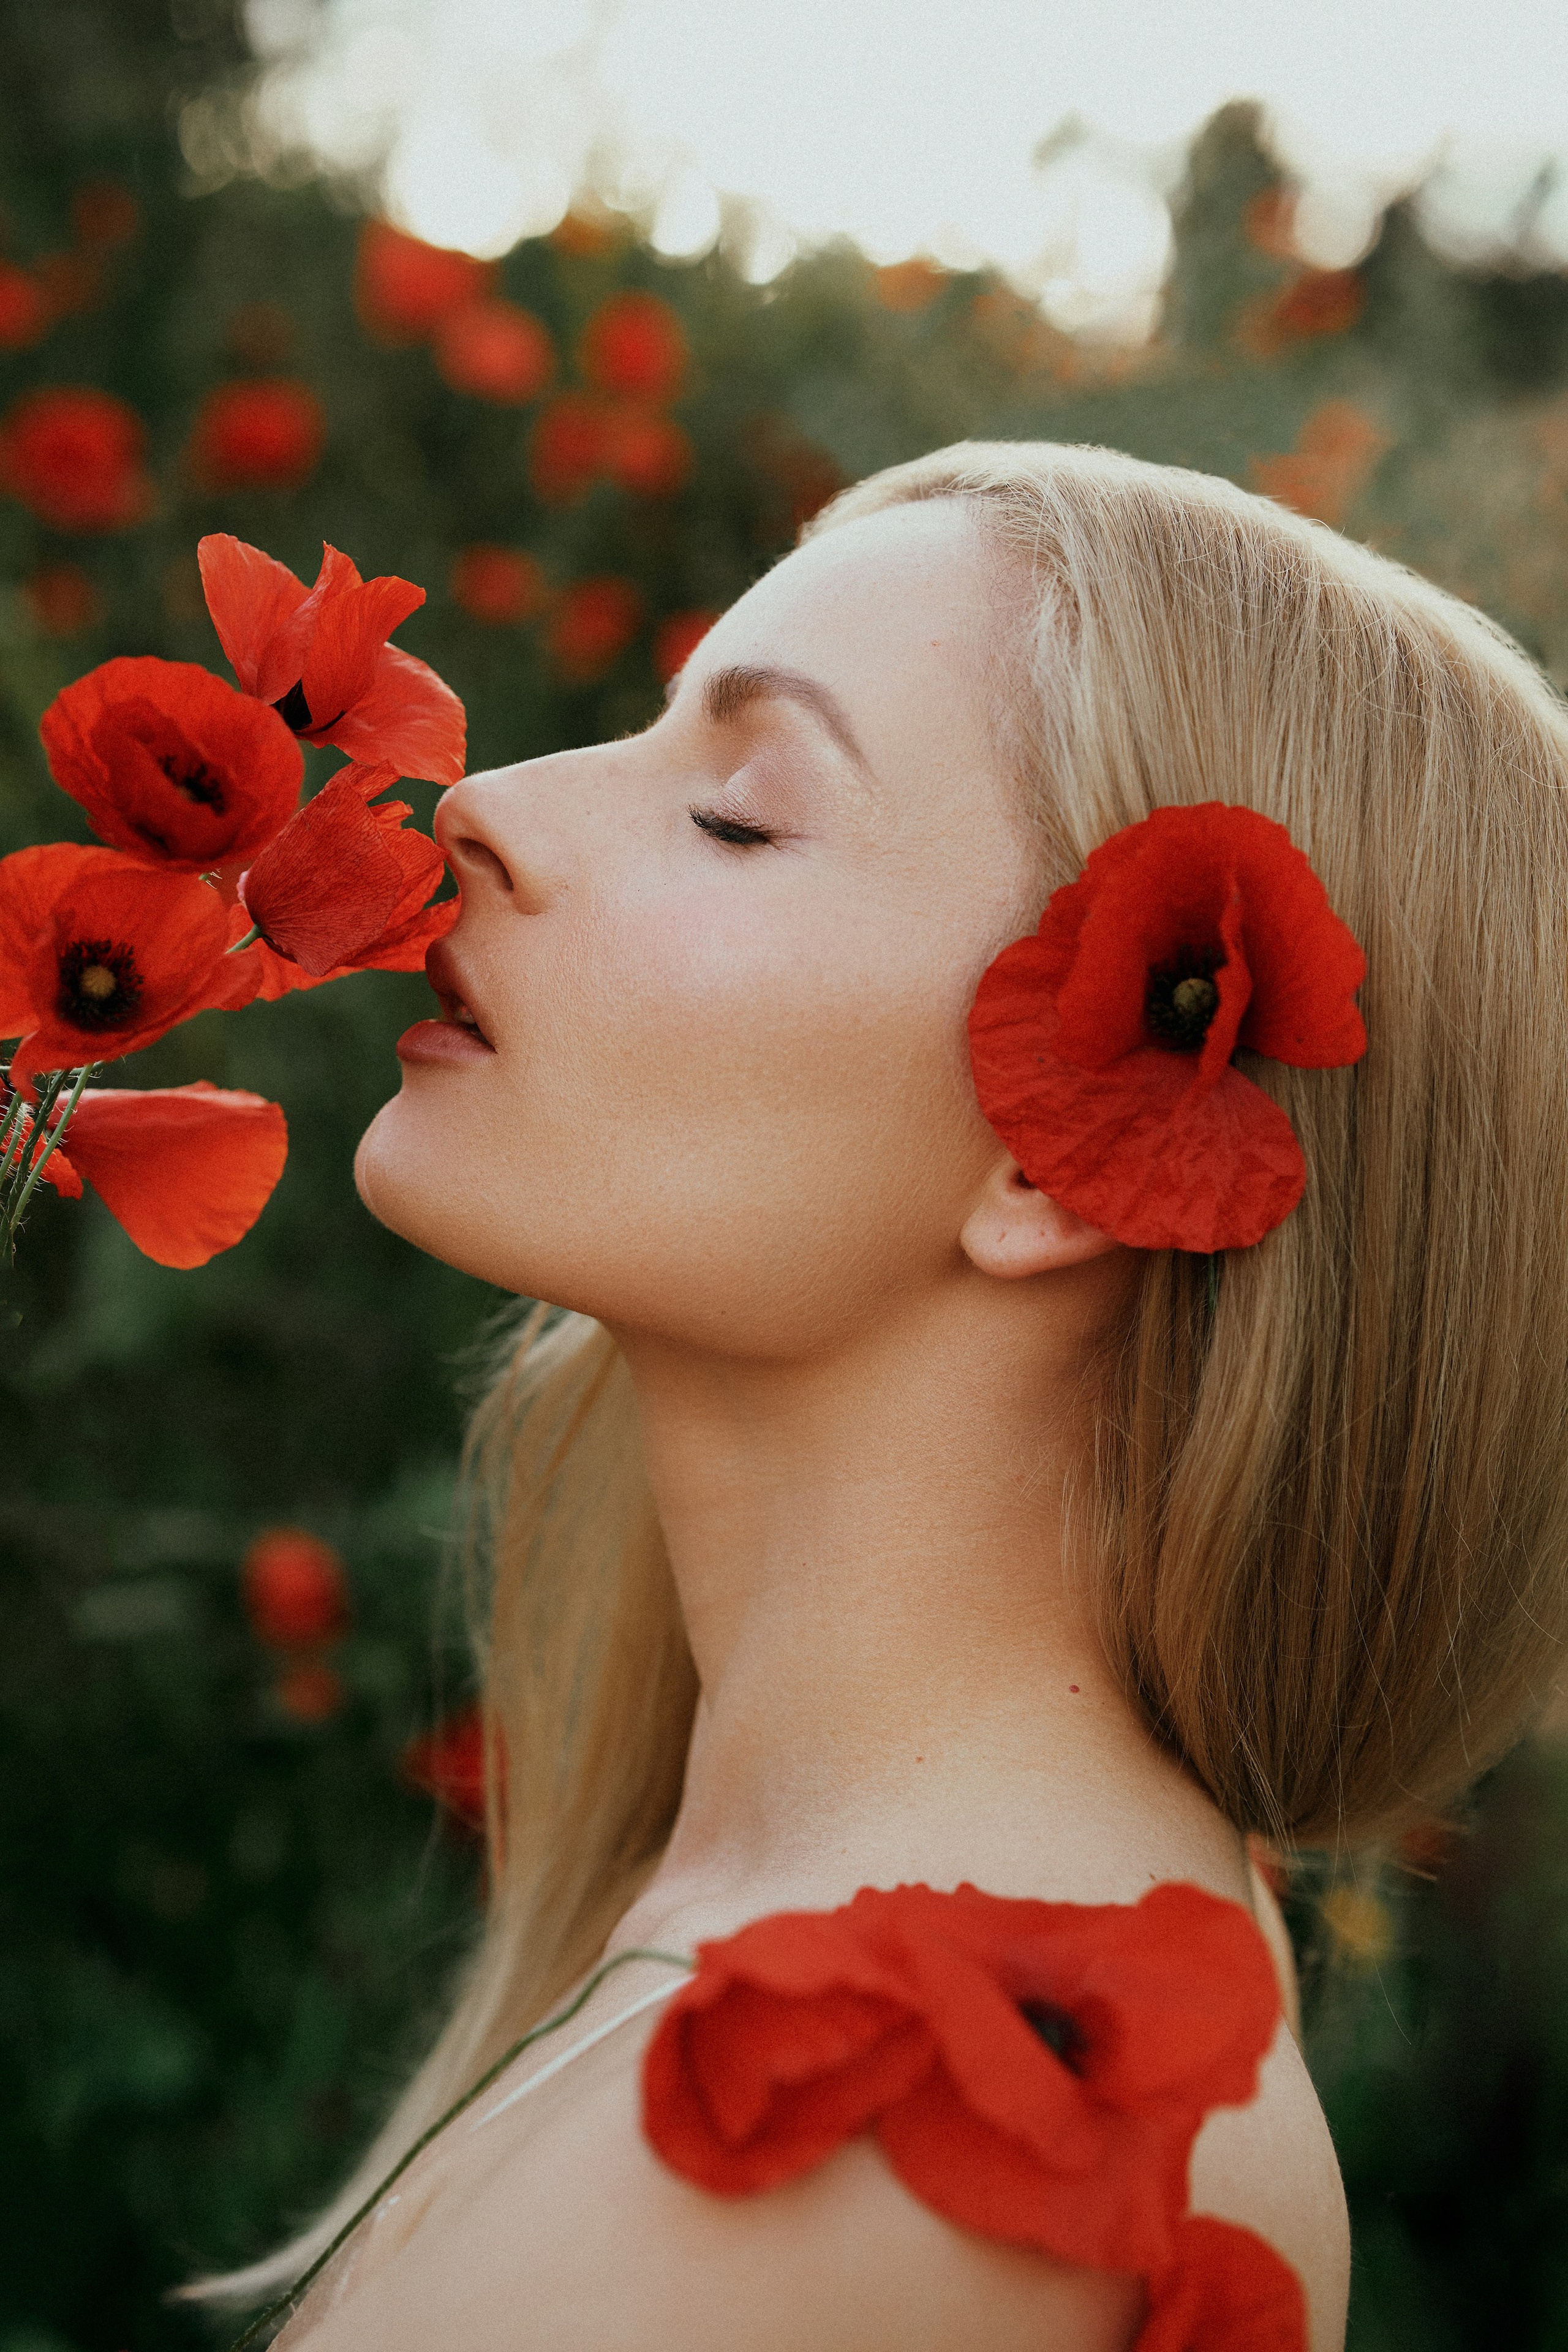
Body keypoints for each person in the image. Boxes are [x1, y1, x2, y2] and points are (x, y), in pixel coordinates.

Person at [197, 442, 1568, 2350]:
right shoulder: (1002, 1955)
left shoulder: (917, 2124)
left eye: (738, 814)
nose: (489, 803)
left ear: (1082, 1131)